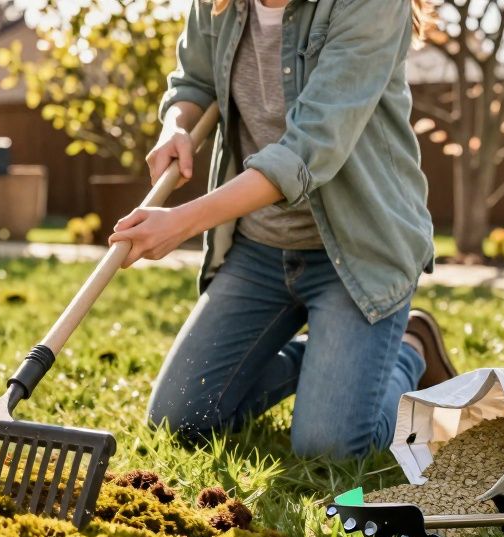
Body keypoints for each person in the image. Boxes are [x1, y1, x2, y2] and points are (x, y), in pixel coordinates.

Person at [110, 0, 456, 459]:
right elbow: (193, 81)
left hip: (358, 255)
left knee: (331, 448)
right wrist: (175, 127)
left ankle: (411, 348)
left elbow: (308, 148)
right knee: (179, 422)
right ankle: (328, 361)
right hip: (259, 250)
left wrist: (182, 223)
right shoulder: (219, 5)